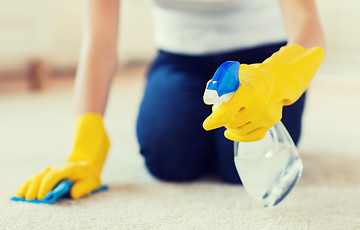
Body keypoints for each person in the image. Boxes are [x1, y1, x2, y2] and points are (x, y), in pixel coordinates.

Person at [15, 0, 325, 200]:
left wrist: (277, 77)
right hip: (180, 59)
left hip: (264, 62)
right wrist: (84, 146)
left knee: (242, 171)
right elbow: (100, 42)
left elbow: (307, 23)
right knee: (170, 157)